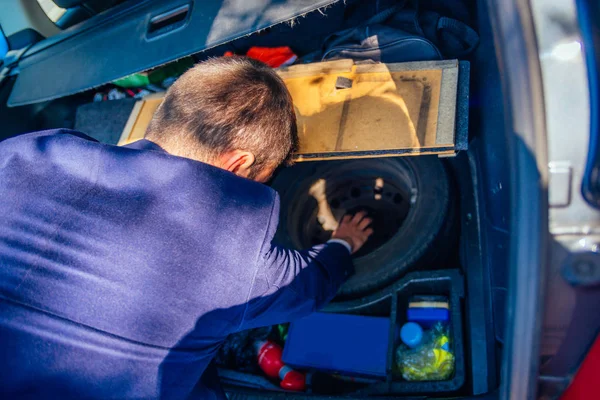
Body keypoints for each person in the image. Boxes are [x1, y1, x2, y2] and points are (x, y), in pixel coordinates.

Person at [0, 57, 373, 399]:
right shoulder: (240, 257)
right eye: (264, 177)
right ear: (238, 164)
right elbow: (308, 285)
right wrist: (342, 243)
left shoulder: (28, 152)